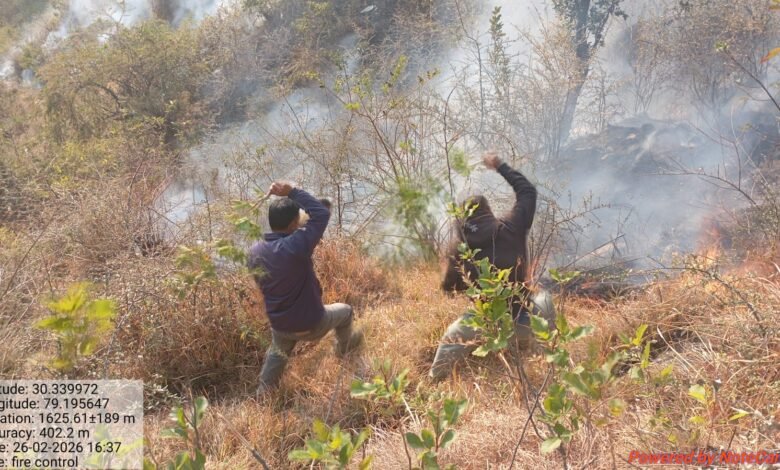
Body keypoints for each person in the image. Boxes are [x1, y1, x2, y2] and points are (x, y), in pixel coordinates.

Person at [430, 152, 555, 380]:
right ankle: (548, 359)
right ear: (488, 211)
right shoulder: (511, 227)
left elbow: (449, 289)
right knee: (544, 298)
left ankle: (433, 381)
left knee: (451, 337)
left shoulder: (459, 249)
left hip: (485, 328)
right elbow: (527, 191)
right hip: (523, 321)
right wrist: (499, 165)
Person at [248, 181, 363, 394]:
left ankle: (264, 390)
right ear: (294, 223)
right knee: (346, 311)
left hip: (281, 325)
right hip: (313, 324)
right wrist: (291, 191)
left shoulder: (255, 252)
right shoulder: (297, 245)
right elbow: (321, 213)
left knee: (277, 351)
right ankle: (344, 349)